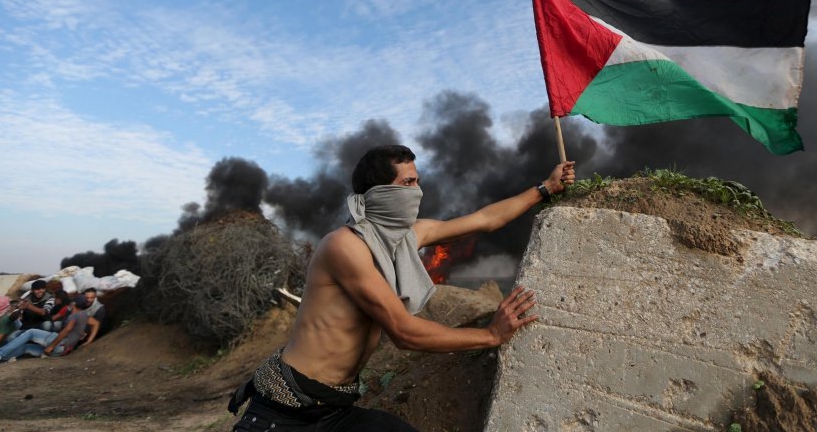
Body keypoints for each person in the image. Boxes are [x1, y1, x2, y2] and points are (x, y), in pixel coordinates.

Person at [229, 145, 575, 431]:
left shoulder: (408, 237)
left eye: (418, 182)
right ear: (382, 192)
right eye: (408, 183)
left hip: (335, 406)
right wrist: (491, 335)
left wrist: (545, 187)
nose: (418, 192)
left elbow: (484, 220)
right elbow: (404, 332)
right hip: (286, 409)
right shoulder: (345, 246)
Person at [0, 296, 100, 364]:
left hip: (58, 345)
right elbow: (96, 324)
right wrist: (89, 340)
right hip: (62, 351)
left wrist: (51, 347)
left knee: (31, 332)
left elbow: (66, 330)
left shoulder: (74, 315)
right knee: (26, 347)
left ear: (73, 304)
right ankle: (0, 359)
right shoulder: (85, 315)